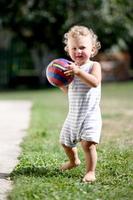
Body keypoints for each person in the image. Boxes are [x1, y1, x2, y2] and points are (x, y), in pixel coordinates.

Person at [59, 25, 102, 183]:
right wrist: (60, 84)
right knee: (65, 143)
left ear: (92, 50)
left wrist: (78, 72)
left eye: (82, 47)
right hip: (73, 115)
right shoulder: (70, 69)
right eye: (73, 48)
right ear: (68, 50)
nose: (78, 51)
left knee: (88, 144)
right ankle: (73, 161)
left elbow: (95, 83)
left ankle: (90, 172)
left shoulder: (93, 66)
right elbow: (71, 92)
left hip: (90, 114)